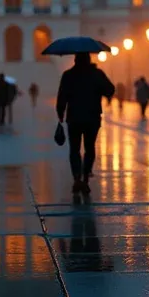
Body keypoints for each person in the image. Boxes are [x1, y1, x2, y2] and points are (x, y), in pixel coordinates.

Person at [55, 53, 115, 193]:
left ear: (75, 60)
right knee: (89, 147)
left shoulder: (68, 75)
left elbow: (62, 96)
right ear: (89, 60)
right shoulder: (97, 74)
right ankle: (86, 179)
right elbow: (110, 90)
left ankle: (77, 178)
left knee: (74, 149)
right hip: (92, 117)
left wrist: (60, 113)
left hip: (74, 117)